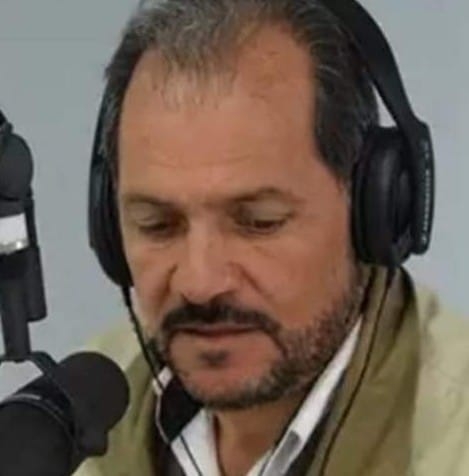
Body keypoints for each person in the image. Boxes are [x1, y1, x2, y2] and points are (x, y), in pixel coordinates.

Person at [75, 1, 469, 475]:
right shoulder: (79, 415)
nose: (200, 283)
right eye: (157, 225)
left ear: (374, 210)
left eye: (259, 222)